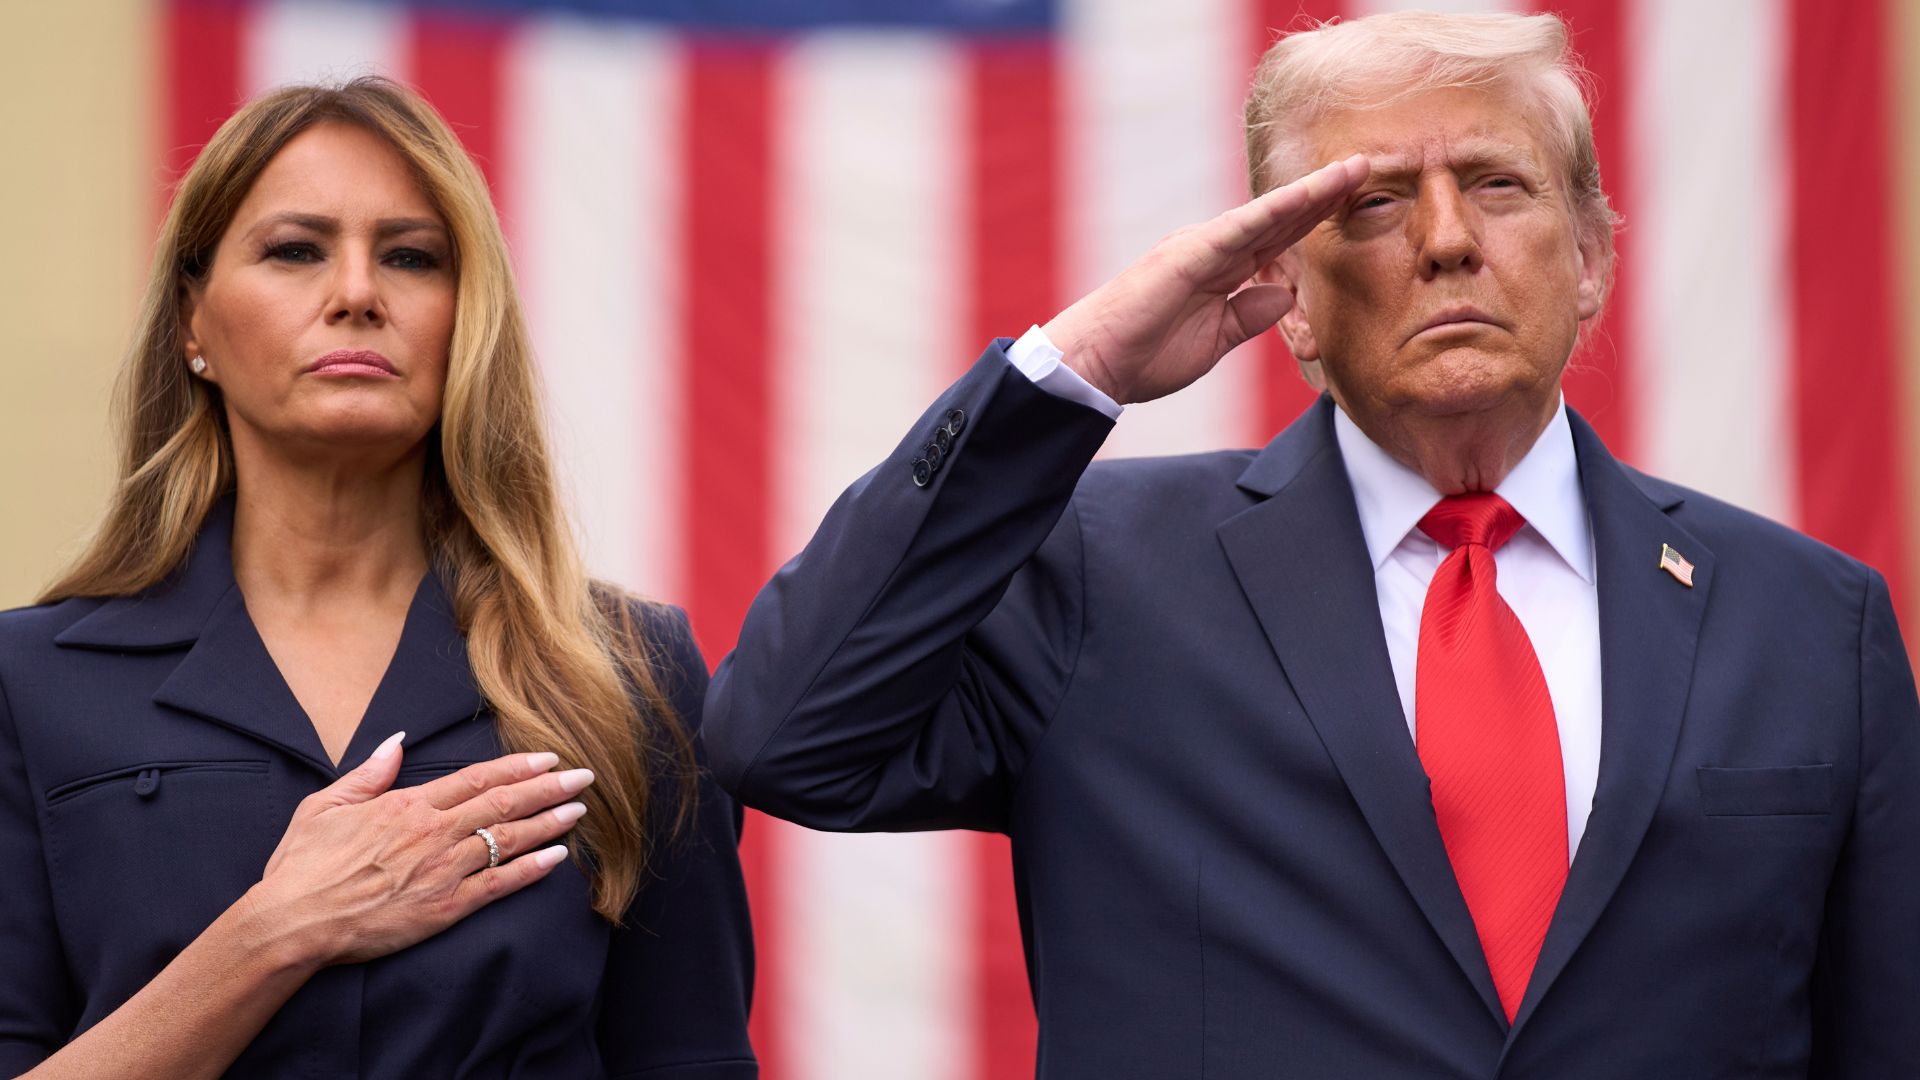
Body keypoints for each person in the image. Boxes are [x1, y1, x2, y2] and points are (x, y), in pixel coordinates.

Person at [704, 11, 1918, 1077]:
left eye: (1499, 184)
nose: (1446, 241)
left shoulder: (1814, 622)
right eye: (1374, 202)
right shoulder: (1099, 575)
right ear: (1285, 291)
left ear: (1592, 257)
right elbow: (783, 735)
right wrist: (1074, 372)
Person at [0, 78, 754, 1078]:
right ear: (193, 324)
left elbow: (689, 1055)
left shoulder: (628, 674)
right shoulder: (32, 682)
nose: (357, 292)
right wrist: (278, 929)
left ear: (466, 316)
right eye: (295, 250)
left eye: (411, 257)